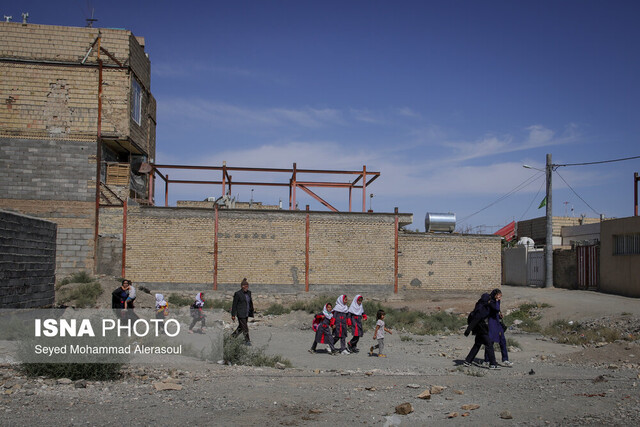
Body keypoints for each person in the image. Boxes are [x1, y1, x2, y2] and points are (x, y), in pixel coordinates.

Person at [463, 292, 500, 370]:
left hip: (478, 329)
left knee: (477, 345)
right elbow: (476, 319)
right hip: (481, 329)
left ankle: (468, 361)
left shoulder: (480, 305)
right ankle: (492, 364)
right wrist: (468, 330)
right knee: (489, 345)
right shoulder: (482, 308)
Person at [484, 288, 512, 367]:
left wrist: (499, 314)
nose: (500, 298)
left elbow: (497, 310)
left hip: (497, 324)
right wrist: (496, 301)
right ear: (495, 296)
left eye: (500, 297)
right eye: (499, 297)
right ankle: (487, 359)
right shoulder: (491, 302)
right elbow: (496, 308)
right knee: (490, 342)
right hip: (492, 324)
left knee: (502, 341)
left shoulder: (497, 301)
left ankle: (505, 359)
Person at [231, 278, 254, 345]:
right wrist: (233, 314)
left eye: (247, 286)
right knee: (245, 327)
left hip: (246, 312)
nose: (247, 287)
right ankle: (247, 340)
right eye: (245, 286)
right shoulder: (238, 294)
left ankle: (232, 337)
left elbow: (250, 302)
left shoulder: (249, 293)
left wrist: (252, 310)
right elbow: (234, 304)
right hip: (240, 313)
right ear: (242, 286)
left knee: (241, 327)